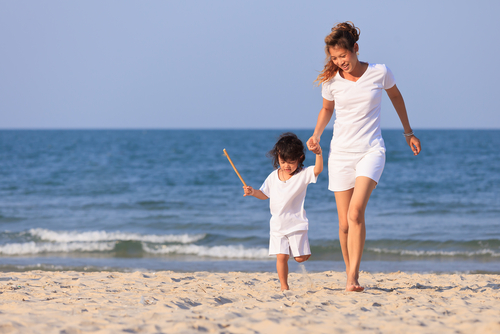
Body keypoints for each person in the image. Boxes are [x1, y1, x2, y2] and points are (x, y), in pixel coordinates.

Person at [307, 22, 421, 292]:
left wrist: (409, 133)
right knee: (344, 223)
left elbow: (396, 97)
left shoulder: (380, 72)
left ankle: (352, 278)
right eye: (334, 58)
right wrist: (316, 134)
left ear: (355, 49)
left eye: (343, 56)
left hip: (371, 150)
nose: (340, 62)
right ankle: (349, 271)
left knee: (356, 213)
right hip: (340, 154)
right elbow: (326, 109)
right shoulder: (331, 81)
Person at [243, 132, 323, 291]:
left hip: (296, 223)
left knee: (300, 258)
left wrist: (319, 154)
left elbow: (318, 170)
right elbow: (264, 194)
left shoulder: (303, 174)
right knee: (281, 257)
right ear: (278, 157)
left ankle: (304, 253)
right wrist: (253, 192)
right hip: (277, 225)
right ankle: (284, 286)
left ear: (300, 158)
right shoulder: (273, 176)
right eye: (283, 161)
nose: (287, 165)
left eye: (291, 162)